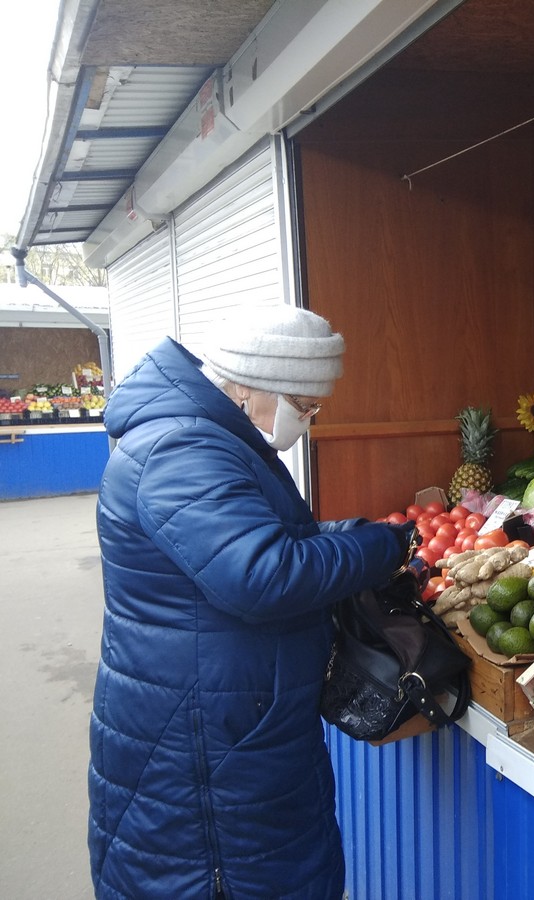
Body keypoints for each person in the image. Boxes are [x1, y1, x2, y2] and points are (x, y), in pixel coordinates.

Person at [88, 305, 415, 899]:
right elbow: (263, 575)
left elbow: (260, 541)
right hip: (203, 750)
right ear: (249, 383)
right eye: (304, 404)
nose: (308, 421)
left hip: (232, 718)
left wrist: (343, 537)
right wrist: (381, 545)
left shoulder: (211, 435)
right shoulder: (182, 448)